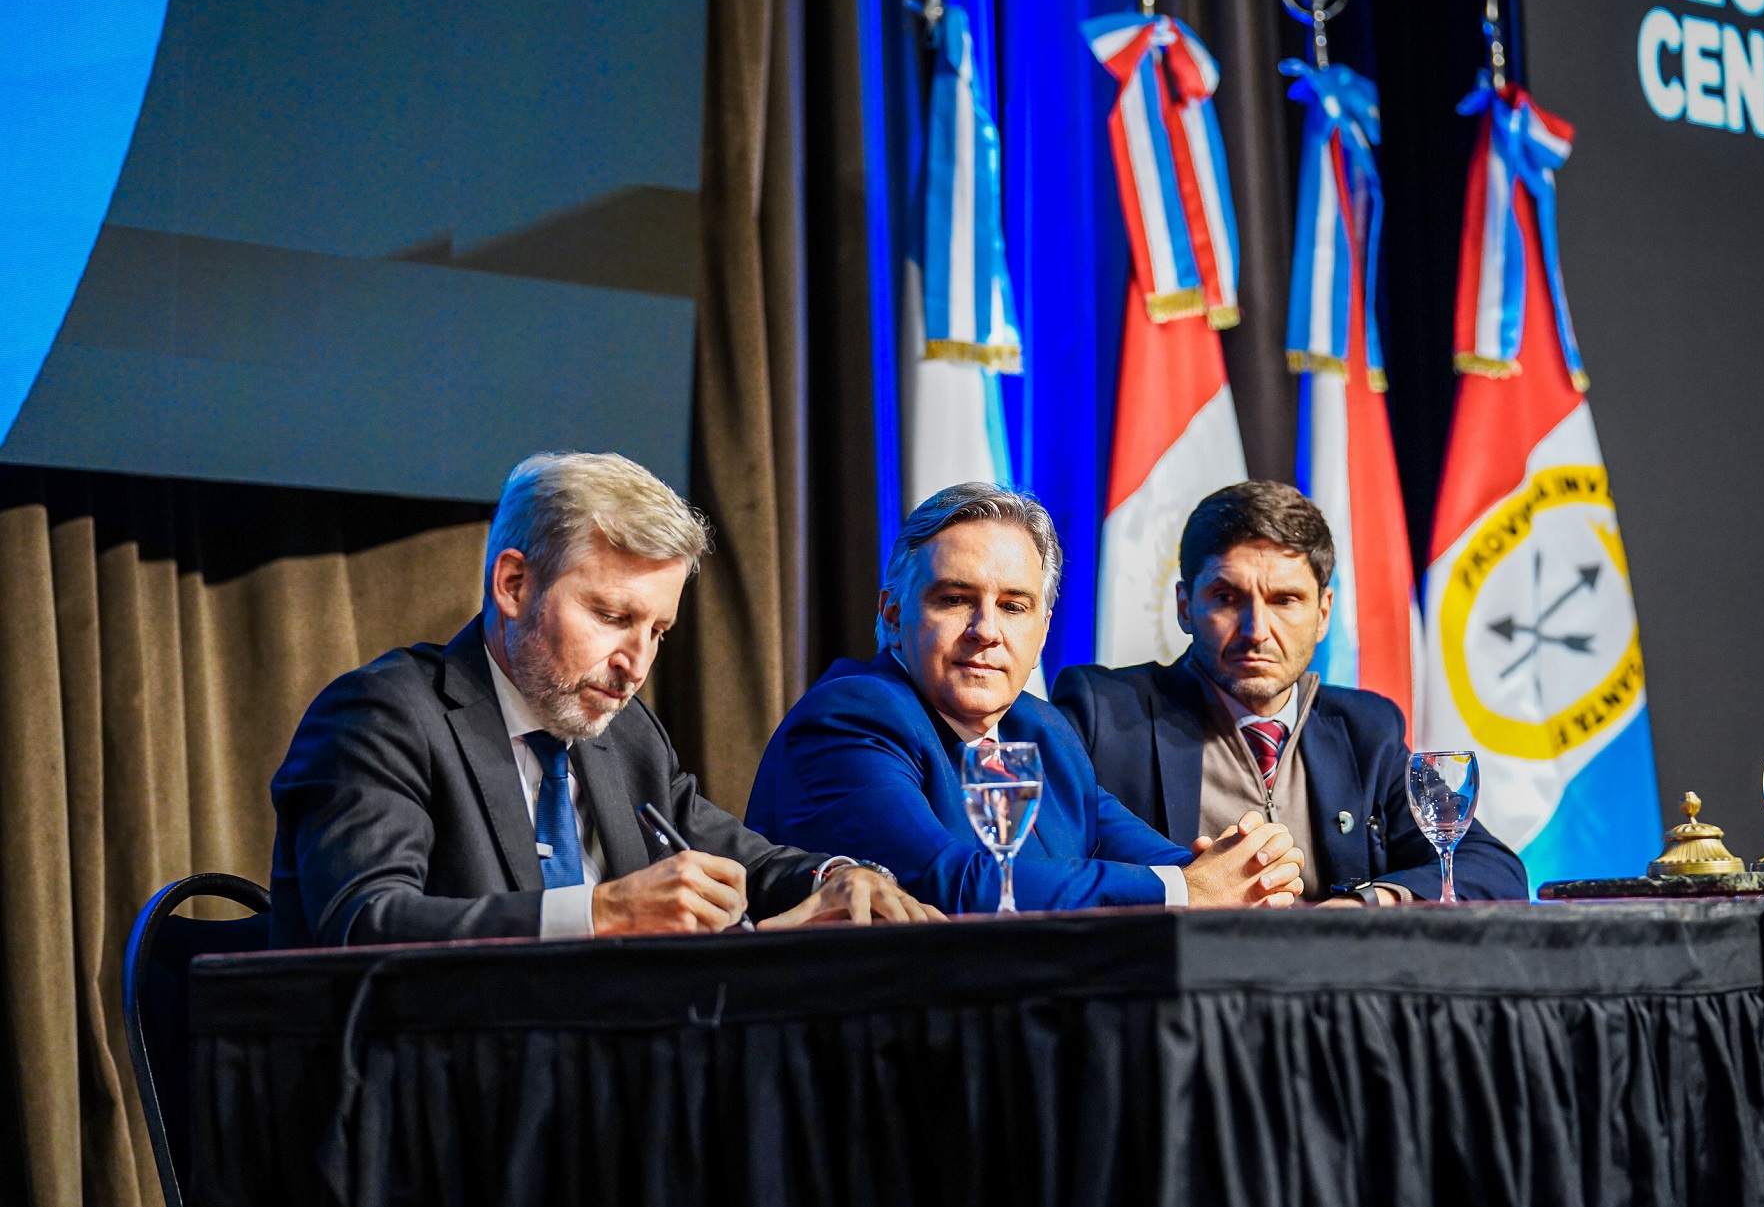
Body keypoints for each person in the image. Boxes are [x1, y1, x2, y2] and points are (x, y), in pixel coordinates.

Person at [269, 452, 937, 947]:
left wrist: (836, 876)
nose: (636, 665)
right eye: (614, 617)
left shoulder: (625, 732)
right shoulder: (383, 717)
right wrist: (604, 913)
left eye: (658, 632)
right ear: (513, 584)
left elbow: (742, 862)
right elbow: (364, 923)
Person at [746, 483, 1308, 914]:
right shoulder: (850, 719)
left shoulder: (1039, 728)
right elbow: (950, 884)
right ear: (894, 616)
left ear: (1041, 636)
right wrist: (1189, 889)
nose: (986, 631)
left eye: (1013, 607)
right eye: (955, 599)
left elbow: (1158, 860)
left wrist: (1244, 870)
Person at [1053, 482, 1528, 905]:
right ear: (1184, 606)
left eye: (1285, 600)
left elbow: (1491, 868)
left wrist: (1365, 907)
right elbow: (1048, 869)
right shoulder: (1103, 712)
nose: (1256, 630)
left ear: (1323, 613)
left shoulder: (1365, 729)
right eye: (1227, 598)